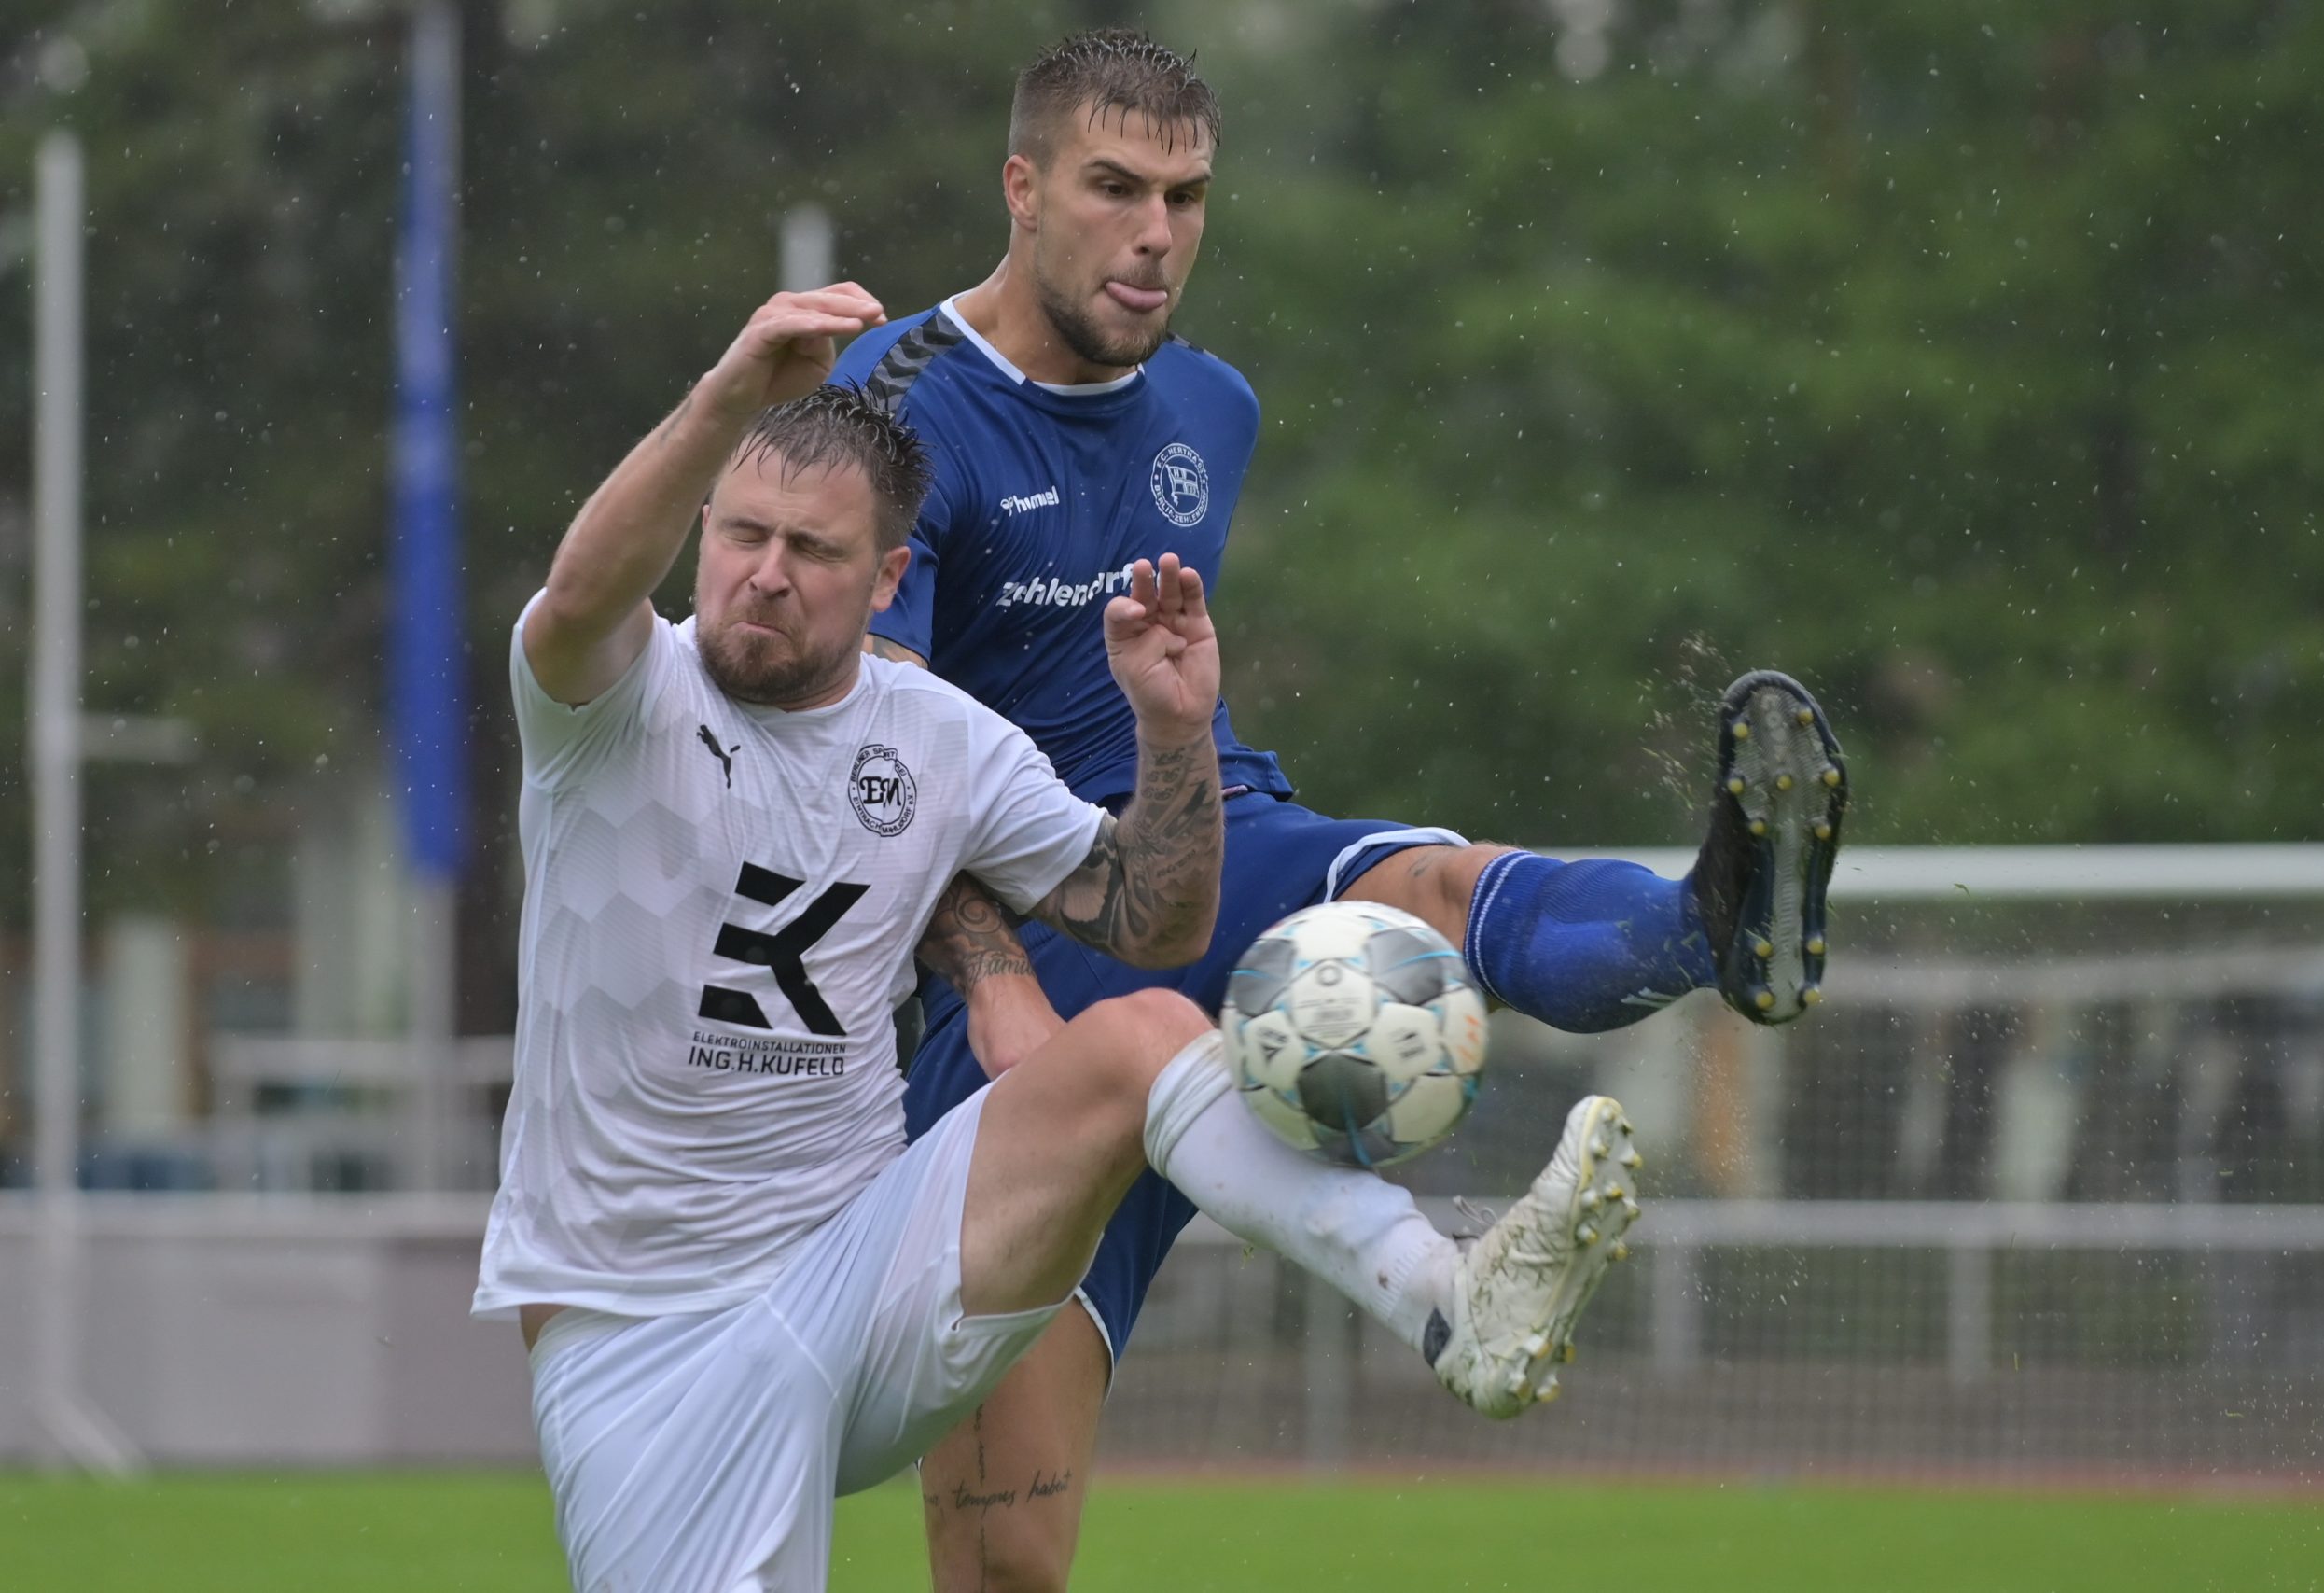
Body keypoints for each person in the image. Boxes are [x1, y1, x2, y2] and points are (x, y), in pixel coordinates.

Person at [828, 28, 1851, 1592]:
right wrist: (994, 974)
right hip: (1022, 967)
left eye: (1186, 197)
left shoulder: (1210, 409)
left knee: (1434, 890)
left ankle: (1712, 920)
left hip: (1213, 853)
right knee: (1004, 1561)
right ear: (1021, 188)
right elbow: (865, 764)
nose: (1155, 234)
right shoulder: (895, 402)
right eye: (1114, 188)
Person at [475, 287, 1648, 1593]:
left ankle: (1445, 1297)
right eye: (743, 533)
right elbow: (580, 593)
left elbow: (1155, 918)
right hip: (642, 1330)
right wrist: (724, 396)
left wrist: (1173, 734)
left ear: (887, 580)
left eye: (813, 550)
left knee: (1139, 1038)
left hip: (858, 1269)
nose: (766, 572)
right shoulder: (616, 695)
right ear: (703, 531)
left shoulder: (946, 741)